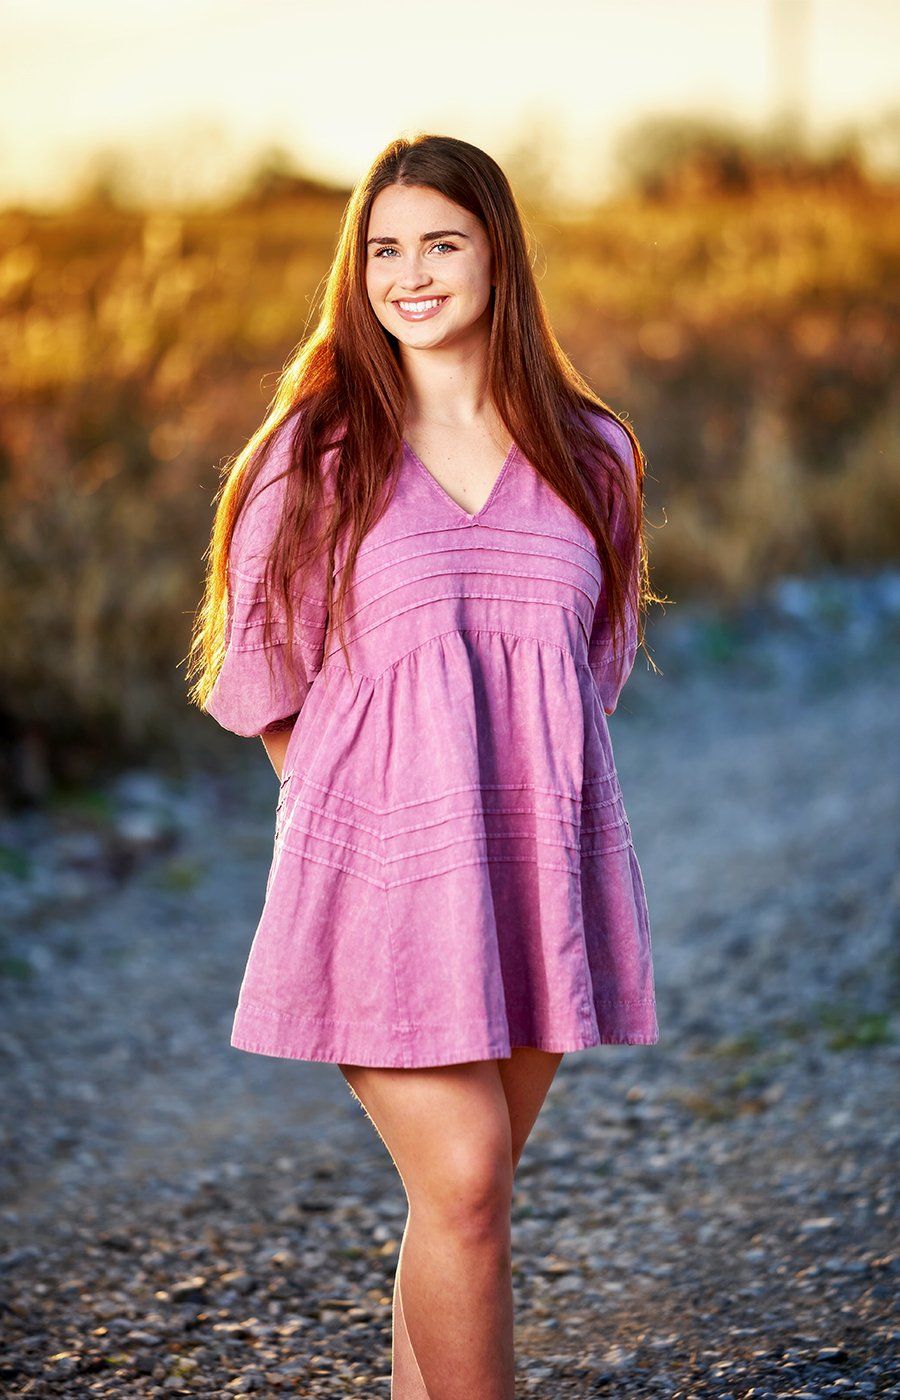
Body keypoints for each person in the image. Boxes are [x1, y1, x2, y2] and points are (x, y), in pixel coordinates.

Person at [187, 132, 661, 1400]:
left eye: (440, 243)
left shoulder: (593, 454)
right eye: (384, 248)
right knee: (461, 1183)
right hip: (382, 878)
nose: (411, 273)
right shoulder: (312, 455)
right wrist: (349, 808)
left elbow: (584, 673)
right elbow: (260, 676)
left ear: (497, 254)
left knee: (470, 1205)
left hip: (536, 871)